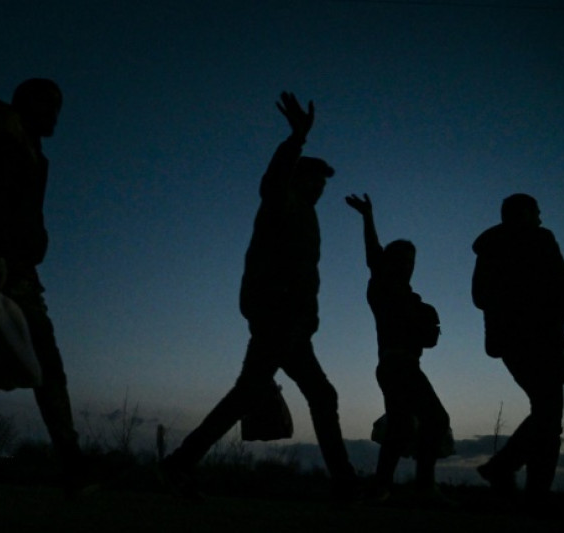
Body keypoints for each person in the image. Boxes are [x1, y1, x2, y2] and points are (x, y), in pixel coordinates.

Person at [159, 92, 360, 501]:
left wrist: (307, 318)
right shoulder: (283, 204)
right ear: (300, 178)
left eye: (323, 181)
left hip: (290, 321)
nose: (321, 187)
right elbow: (272, 186)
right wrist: (296, 140)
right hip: (277, 316)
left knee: (255, 393)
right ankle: (345, 483)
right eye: (315, 179)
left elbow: (304, 275)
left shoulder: (306, 214)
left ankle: (179, 463)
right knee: (306, 394)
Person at [0, 78, 90, 497]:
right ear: (26, 103)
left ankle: (72, 464)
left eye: (59, 106)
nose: (55, 114)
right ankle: (72, 464)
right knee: (45, 364)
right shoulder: (6, 136)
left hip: (14, 264)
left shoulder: (34, 151)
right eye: (48, 104)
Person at [472, 193, 564, 509]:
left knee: (546, 412)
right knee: (548, 412)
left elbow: (479, 297)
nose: (541, 219)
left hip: (510, 342)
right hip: (537, 339)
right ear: (524, 214)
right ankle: (521, 482)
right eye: (537, 212)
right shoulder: (540, 239)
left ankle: (515, 478)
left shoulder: (489, 248)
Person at [345, 193, 452, 505]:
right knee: (434, 419)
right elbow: (373, 255)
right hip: (395, 365)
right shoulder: (383, 286)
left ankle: (382, 487)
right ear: (390, 263)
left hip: (405, 366)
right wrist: (367, 217)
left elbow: (425, 339)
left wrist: (428, 330)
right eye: (402, 259)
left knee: (402, 426)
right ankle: (421, 487)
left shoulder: (414, 300)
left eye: (411, 260)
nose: (408, 265)